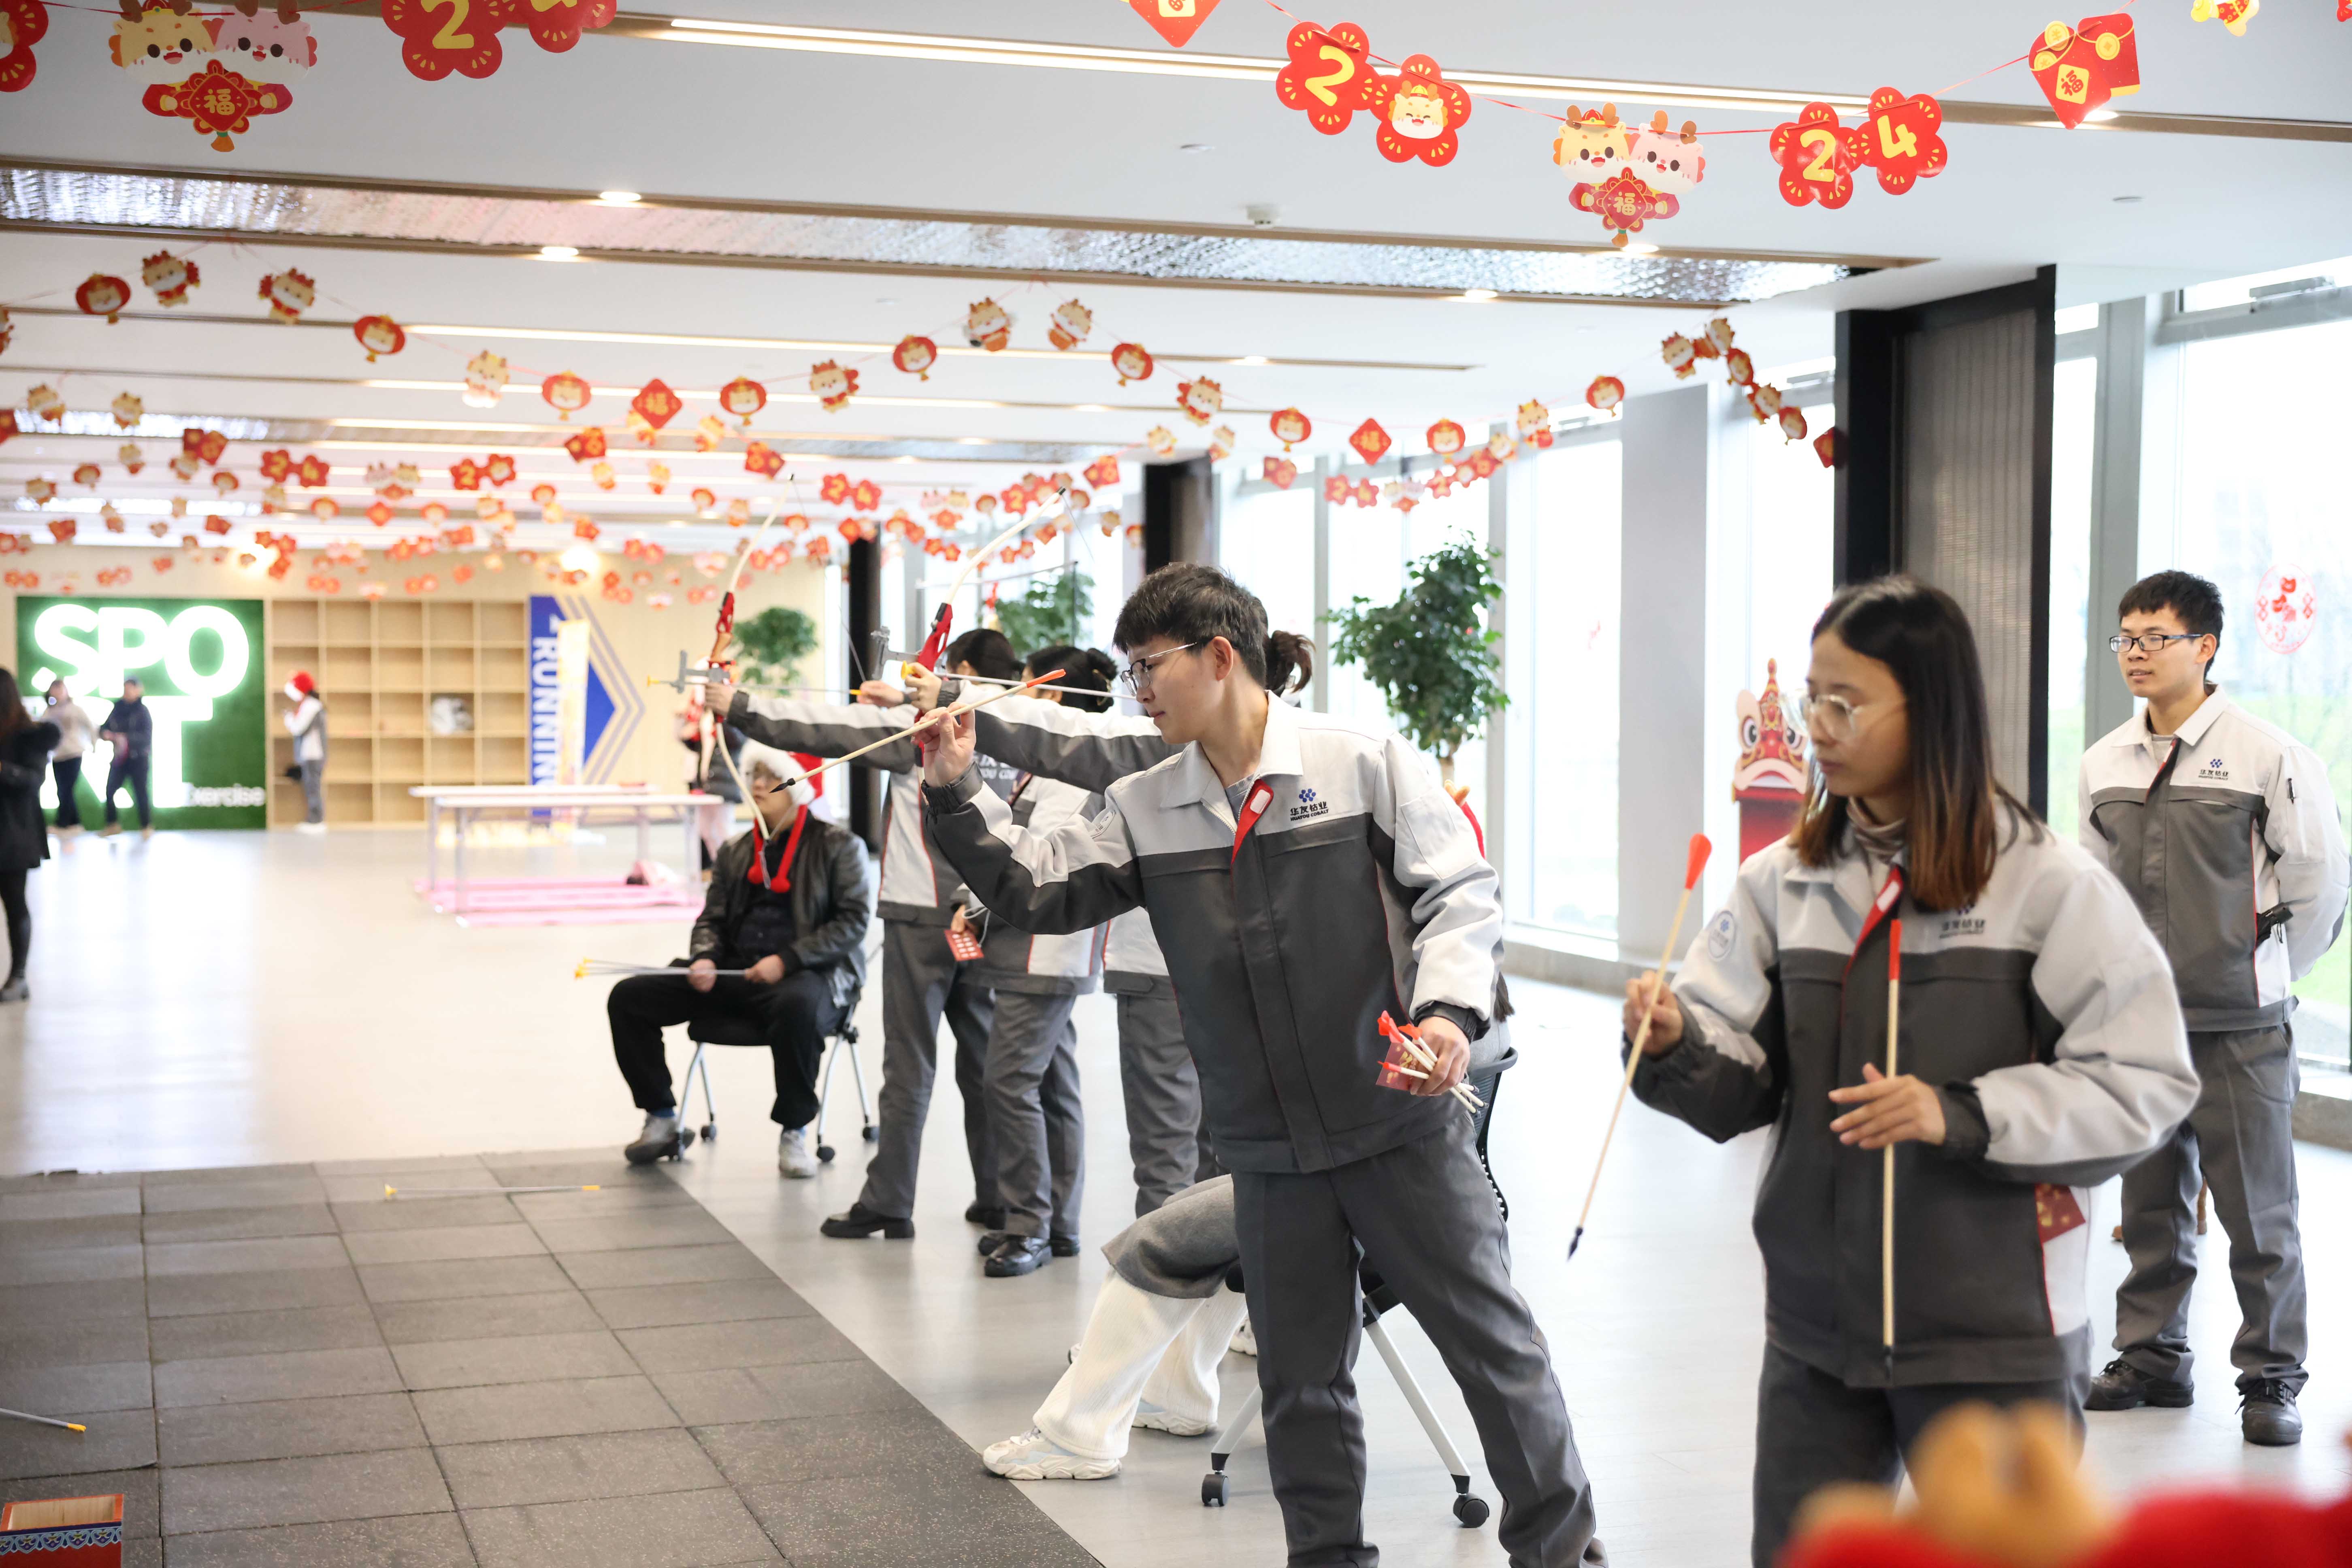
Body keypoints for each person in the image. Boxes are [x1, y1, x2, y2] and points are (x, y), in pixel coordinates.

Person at [917, 564, 1604, 1567]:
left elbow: (1458, 896)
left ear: (1219, 655)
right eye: (1128, 671)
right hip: (1267, 1148)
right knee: (1298, 1384)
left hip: (1397, 1124)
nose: (1136, 690)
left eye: (1147, 667)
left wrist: (1448, 1015)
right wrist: (953, 788)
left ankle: (1563, 1556)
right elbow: (1034, 889)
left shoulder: (1361, 762)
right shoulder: (1145, 802)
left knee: (1496, 1355)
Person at [1620, 575, 2198, 1568]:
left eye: (1844, 704)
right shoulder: (1780, 882)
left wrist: (1957, 1112)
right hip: (1817, 1330)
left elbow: (2144, 1082)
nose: (1816, 726)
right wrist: (1674, 1044)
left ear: (1928, 710)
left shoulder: (2046, 884)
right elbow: (1740, 1081)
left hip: (1995, 1335)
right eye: (1814, 699)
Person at [2079, 571, 2349, 1447]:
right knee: (2149, 1209)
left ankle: (2271, 1377)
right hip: (2142, 1032)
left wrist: (2261, 972)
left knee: (2258, 1216)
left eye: (2155, 637)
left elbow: (2319, 886)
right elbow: (2090, 895)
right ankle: (2152, 1356)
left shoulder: (2268, 756)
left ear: (2205, 647)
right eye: (2126, 638)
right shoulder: (2103, 763)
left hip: (2242, 1029)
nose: (2136, 653)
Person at [709, 629, 1036, 1246]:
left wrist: (739, 706)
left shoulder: (929, 722)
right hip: (989, 913)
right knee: (986, 1062)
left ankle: (890, 1202)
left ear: (961, 667)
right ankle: (999, 1198)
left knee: (908, 1063)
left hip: (921, 914)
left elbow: (825, 729)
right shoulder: (1017, 721)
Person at [607, 749, 872, 1175]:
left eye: (770, 777)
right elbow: (711, 918)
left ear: (798, 787)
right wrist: (705, 958)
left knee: (799, 1007)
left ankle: (794, 1130)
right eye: (754, 776)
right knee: (629, 997)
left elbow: (853, 922)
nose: (757, 785)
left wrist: (788, 959)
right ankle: (661, 1116)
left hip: (808, 975)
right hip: (735, 971)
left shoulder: (839, 846)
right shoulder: (735, 849)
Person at [0, 669, 60, 1001]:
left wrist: (3, 770)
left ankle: (19, 977)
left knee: (14, 902)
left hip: (13, 832)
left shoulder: (29, 736)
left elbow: (33, 781)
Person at [96, 677, 152, 839]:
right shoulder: (118, 709)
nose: (127, 692)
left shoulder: (143, 711)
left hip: (138, 759)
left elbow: (146, 738)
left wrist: (125, 738)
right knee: (110, 791)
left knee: (141, 793)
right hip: (120, 759)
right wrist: (106, 734)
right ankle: (112, 824)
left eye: (131, 689)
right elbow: (104, 728)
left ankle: (146, 826)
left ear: (139, 690)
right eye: (126, 689)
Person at [43, 679, 91, 848]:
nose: (58, 692)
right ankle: (74, 823)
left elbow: (90, 726)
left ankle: (63, 823)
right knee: (62, 790)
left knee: (66, 789)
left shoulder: (75, 709)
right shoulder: (49, 711)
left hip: (74, 753)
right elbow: (40, 729)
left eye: (60, 689)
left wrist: (94, 745)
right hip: (57, 755)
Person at [282, 671, 328, 833]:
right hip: (309, 755)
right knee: (310, 787)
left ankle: (317, 821)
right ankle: (313, 819)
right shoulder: (309, 705)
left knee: (313, 787)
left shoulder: (312, 706)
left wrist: (288, 718)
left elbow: (298, 728)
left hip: (313, 755)